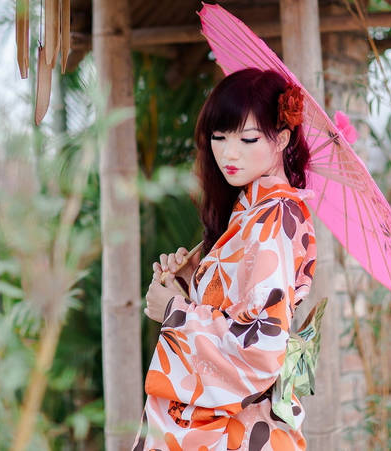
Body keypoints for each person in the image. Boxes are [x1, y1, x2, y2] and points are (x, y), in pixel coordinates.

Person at [133, 68, 317, 451]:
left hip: (238, 428)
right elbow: (238, 305)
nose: (229, 153)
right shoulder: (250, 212)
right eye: (219, 137)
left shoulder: (273, 218)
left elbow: (262, 347)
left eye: (248, 138)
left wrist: (175, 311)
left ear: (282, 138)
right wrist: (192, 283)